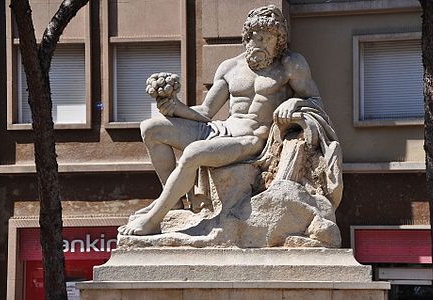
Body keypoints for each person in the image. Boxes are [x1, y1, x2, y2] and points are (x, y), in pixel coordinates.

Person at [118, 5, 320, 236]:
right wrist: (175, 107)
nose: (261, 43)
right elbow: (205, 112)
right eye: (256, 37)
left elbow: (314, 100)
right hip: (219, 129)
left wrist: (293, 103)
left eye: (268, 38)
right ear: (247, 38)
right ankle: (173, 202)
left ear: (279, 41)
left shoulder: (291, 65)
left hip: (251, 140)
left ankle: (154, 219)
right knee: (151, 128)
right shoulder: (230, 67)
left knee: (194, 152)